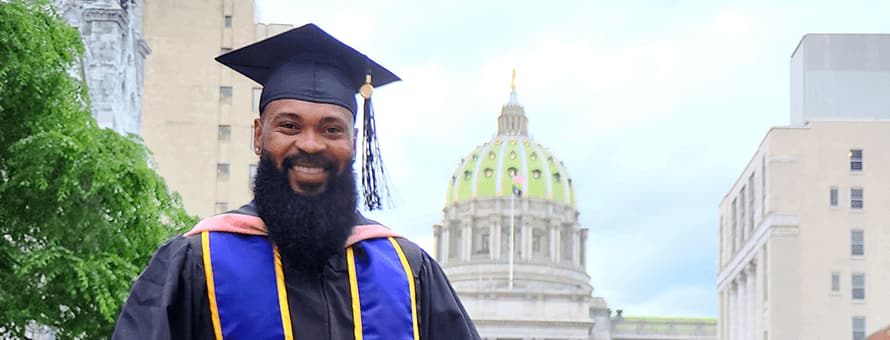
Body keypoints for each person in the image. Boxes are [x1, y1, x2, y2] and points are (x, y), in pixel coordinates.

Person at [112, 23, 480, 340]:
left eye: (331, 129)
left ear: (352, 141)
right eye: (289, 126)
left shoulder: (406, 269)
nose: (310, 144)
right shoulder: (195, 261)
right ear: (258, 135)